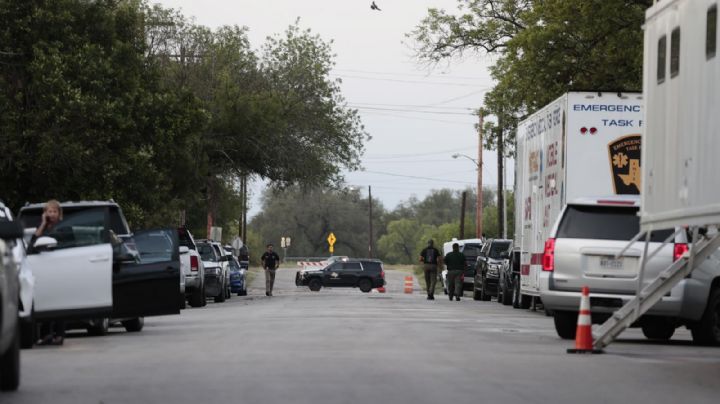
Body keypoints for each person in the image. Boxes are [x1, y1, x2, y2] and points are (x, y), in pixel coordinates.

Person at [33, 199, 66, 345]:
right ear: (44, 213)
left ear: (59, 214)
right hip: (44, 268)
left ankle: (59, 334)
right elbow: (34, 242)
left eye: (54, 211)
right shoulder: (42, 228)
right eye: (49, 211)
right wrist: (42, 223)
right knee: (46, 299)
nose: (51, 214)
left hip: (59, 268)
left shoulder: (64, 227)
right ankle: (46, 334)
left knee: (59, 301)